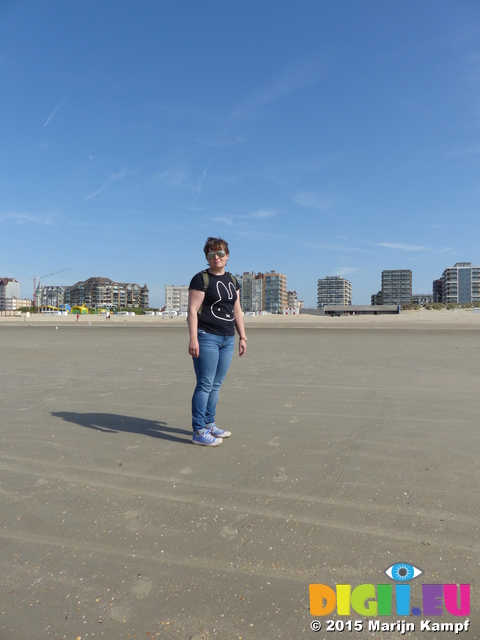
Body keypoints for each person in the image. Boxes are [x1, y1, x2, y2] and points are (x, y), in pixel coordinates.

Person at [188, 237, 247, 446]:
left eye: (220, 253)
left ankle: (210, 424)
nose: (216, 257)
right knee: (204, 384)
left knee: (216, 384)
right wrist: (193, 338)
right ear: (207, 257)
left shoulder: (232, 280)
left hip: (227, 338)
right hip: (206, 337)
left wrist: (242, 336)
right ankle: (198, 430)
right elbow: (193, 311)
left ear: (227, 256)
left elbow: (237, 310)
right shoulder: (200, 279)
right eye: (211, 254)